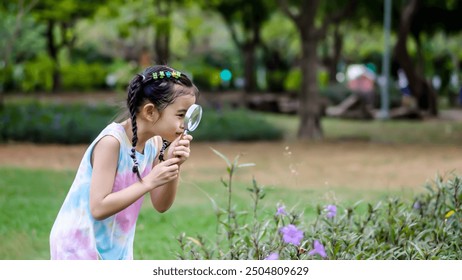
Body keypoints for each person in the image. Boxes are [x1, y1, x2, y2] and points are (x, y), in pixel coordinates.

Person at [49, 65, 199, 260]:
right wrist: (148, 182)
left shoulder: (154, 143)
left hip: (115, 248)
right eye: (181, 115)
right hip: (78, 247)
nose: (184, 124)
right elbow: (98, 207)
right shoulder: (112, 143)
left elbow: (161, 204)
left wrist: (174, 163)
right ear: (150, 112)